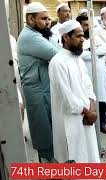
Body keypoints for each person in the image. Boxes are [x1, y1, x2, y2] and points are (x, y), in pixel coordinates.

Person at [49, 20, 100, 163]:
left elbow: (88, 86)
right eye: (78, 36)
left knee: (90, 155)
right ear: (66, 37)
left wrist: (92, 107)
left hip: (87, 117)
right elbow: (67, 97)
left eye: (83, 35)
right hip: (71, 120)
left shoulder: (78, 59)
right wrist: (87, 112)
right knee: (76, 157)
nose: (83, 39)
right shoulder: (57, 62)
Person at [17, 2, 60, 162]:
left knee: (49, 128)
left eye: (48, 18)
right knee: (43, 132)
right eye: (43, 19)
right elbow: (57, 55)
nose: (47, 22)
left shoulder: (38, 34)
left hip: (43, 88)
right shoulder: (30, 37)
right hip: (37, 91)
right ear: (30, 19)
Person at [76, 15, 106, 134]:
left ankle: (102, 123)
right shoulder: (79, 41)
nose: (88, 27)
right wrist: (95, 53)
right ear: (79, 26)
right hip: (88, 77)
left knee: (102, 100)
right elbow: (81, 54)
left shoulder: (95, 37)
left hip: (101, 76)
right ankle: (91, 124)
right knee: (89, 101)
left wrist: (91, 51)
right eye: (85, 25)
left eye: (89, 24)